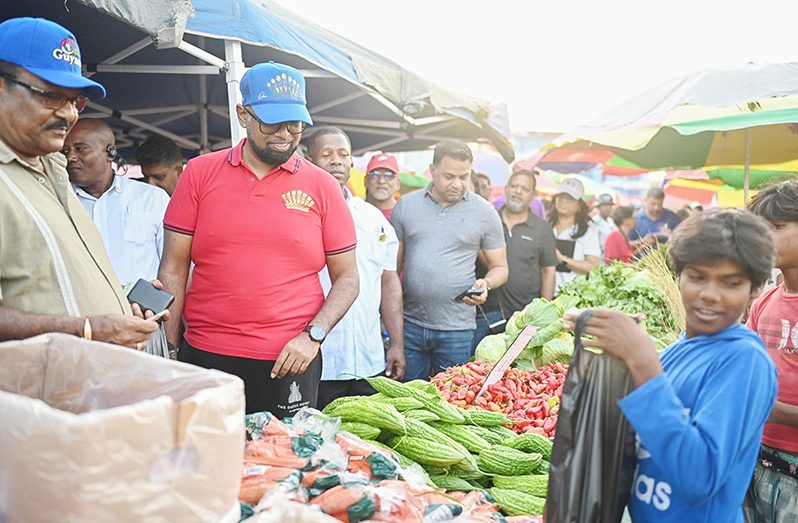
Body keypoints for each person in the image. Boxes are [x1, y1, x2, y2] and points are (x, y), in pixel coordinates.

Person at [158, 62, 359, 417]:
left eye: (295, 124)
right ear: (242, 115)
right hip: (206, 356)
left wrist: (313, 336)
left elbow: (348, 278)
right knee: (206, 458)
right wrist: (171, 350)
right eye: (271, 123)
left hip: (290, 360)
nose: (284, 134)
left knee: (284, 465)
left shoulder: (324, 186)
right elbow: (174, 265)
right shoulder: (199, 173)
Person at [565, 209, 777, 523]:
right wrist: (618, 362)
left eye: (730, 283)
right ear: (678, 274)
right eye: (697, 277)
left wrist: (642, 361)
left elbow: (699, 477)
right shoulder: (676, 351)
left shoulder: (745, 361)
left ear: (755, 288)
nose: (709, 295)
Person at [0, 17, 158, 348]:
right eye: (51, 96)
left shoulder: (53, 169)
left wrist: (120, 299)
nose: (69, 114)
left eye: (75, 101)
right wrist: (89, 329)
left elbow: (53, 282)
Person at [392, 139, 508, 381]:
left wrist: (485, 284)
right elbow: (392, 270)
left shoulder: (485, 212)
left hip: (458, 329)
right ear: (432, 171)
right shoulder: (406, 206)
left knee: (452, 401)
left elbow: (500, 268)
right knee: (408, 401)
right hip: (411, 325)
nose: (457, 184)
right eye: (449, 176)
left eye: (464, 177)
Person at [307, 127, 405, 409]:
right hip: (317, 361)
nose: (336, 161)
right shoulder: (296, 214)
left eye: (343, 155)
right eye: (326, 154)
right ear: (309, 159)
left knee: (366, 446)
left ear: (352, 163)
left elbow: (388, 283)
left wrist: (396, 343)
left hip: (368, 360)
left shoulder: (373, 219)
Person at [744, 179, 798, 522]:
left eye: (777, 227)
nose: (766, 238)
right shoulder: (763, 302)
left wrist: (770, 409)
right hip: (758, 463)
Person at [63, 119, 170, 283]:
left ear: (110, 153)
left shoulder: (152, 198)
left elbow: (174, 267)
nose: (70, 157)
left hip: (144, 308)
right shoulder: (59, 202)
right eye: (65, 151)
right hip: (84, 308)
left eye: (80, 149)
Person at [473, 169, 557, 351]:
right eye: (514, 186)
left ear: (533, 195)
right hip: (486, 312)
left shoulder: (542, 229)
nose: (517, 191)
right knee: (477, 367)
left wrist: (543, 313)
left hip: (524, 316)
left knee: (517, 374)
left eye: (524, 189)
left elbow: (548, 271)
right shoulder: (488, 219)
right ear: (506, 189)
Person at [549, 178, 600, 294]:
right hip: (544, 293)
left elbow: (593, 267)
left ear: (579, 206)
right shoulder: (545, 226)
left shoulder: (588, 231)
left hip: (573, 295)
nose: (563, 201)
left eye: (570, 199)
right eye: (561, 197)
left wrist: (563, 260)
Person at [364, 153, 401, 221]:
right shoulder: (354, 211)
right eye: (375, 175)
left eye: (389, 176)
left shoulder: (405, 214)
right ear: (366, 181)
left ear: (398, 183)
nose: (381, 181)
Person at [593, 193, 616, 262]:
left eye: (610, 205)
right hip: (599, 260)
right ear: (598, 207)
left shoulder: (611, 221)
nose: (608, 208)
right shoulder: (594, 222)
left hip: (611, 259)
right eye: (605, 205)